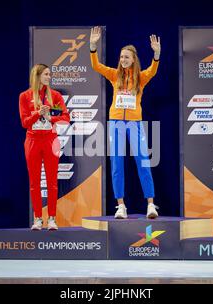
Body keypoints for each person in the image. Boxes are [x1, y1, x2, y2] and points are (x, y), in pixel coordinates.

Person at [89, 26, 160, 219]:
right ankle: (121, 206)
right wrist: (93, 47)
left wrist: (156, 54)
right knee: (117, 164)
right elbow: (97, 66)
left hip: (135, 124)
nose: (123, 60)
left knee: (143, 162)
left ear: (133, 59)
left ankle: (151, 205)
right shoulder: (115, 75)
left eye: (126, 57)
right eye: (121, 57)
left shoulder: (140, 77)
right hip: (116, 124)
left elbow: (153, 71)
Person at [19, 64, 70, 230]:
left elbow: (66, 118)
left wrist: (50, 117)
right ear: (38, 76)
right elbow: (24, 122)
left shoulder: (54, 95)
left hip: (50, 140)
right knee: (34, 182)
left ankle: (52, 218)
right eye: (46, 74)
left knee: (52, 181)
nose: (49, 77)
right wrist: (37, 114)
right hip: (33, 141)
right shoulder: (25, 96)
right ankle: (38, 218)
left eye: (50, 74)